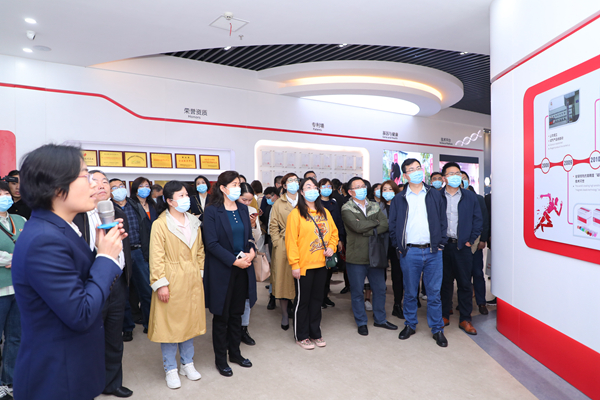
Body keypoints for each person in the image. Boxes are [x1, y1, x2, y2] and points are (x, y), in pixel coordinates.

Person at [12, 144, 126, 400]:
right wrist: (106, 258)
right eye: (85, 175)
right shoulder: (44, 239)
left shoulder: (62, 228)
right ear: (56, 186)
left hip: (73, 368)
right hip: (56, 379)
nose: (95, 184)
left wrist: (100, 252)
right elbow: (80, 313)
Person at [73, 171, 133, 398]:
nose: (101, 185)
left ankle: (112, 382)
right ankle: (88, 384)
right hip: (91, 284)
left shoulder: (118, 213)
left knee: (114, 337)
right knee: (90, 338)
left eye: (105, 182)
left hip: (117, 284)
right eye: (94, 181)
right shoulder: (78, 216)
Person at [148, 181, 206, 389]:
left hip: (192, 278)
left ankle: (187, 363)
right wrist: (161, 284)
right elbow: (156, 256)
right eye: (181, 196)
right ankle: (170, 368)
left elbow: (200, 251)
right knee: (170, 325)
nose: (186, 198)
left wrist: (199, 272)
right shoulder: (160, 224)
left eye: (186, 194)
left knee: (189, 323)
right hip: (171, 278)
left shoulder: (194, 221)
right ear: (169, 201)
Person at [388, 158, 448, 347]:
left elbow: (442, 221)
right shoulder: (399, 198)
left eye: (418, 168)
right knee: (410, 292)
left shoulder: (434, 194)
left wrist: (441, 243)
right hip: (409, 252)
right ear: (405, 176)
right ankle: (410, 324)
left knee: (434, 293)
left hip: (433, 251)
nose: (416, 172)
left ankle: (437, 329)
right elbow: (393, 225)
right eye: (411, 170)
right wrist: (399, 246)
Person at [203, 171, 256, 377]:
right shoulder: (212, 211)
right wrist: (234, 261)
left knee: (236, 314)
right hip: (222, 270)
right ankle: (221, 359)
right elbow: (211, 244)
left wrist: (252, 251)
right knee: (221, 316)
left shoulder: (243, 208)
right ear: (223, 188)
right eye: (234, 184)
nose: (238, 188)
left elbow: (249, 237)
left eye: (239, 184)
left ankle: (235, 353)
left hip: (243, 269)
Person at [286, 177, 339, 350]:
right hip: (304, 266)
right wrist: (295, 264)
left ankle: (315, 332)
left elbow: (334, 233)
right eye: (308, 187)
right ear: (301, 192)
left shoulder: (325, 212)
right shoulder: (295, 214)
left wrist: (331, 247)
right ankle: (301, 335)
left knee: (317, 300)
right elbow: (291, 242)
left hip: (322, 264)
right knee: (303, 301)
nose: (313, 190)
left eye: (315, 187)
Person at [341, 177, 397, 336]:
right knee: (357, 291)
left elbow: (385, 224)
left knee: (380, 289)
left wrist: (367, 228)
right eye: (357, 187)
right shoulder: (346, 208)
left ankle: (380, 319)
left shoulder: (374, 205)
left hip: (375, 254)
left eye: (363, 186)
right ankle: (361, 322)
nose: (362, 189)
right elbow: (356, 226)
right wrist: (374, 223)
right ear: (350, 192)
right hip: (356, 256)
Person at [440, 162, 482, 335]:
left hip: (462, 247)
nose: (455, 176)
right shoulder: (437, 196)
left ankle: (465, 318)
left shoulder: (469, 196)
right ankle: (444, 315)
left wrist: (470, 240)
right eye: (451, 173)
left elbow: (478, 220)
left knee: (465, 284)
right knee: (444, 283)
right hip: (443, 247)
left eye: (457, 173)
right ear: (444, 178)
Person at [110, 178, 155, 334]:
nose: (119, 189)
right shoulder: (108, 209)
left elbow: (145, 229)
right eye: (114, 187)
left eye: (121, 186)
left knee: (147, 290)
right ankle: (127, 328)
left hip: (138, 251)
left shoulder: (135, 205)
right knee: (122, 293)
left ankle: (150, 324)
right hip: (118, 253)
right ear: (110, 192)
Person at [0, 181, 26, 399]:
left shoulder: (20, 219)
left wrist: (14, 258)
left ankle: (8, 381)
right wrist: (15, 258)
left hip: (19, 288)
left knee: (15, 337)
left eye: (6, 194)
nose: (5, 198)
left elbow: (30, 246)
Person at [269, 173, 299, 330]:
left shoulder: (305, 200)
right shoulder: (278, 203)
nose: (294, 183)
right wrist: (276, 242)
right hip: (283, 244)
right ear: (284, 186)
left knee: (301, 280)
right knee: (283, 280)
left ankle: (299, 311)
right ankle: (285, 314)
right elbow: (273, 225)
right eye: (290, 181)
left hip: (303, 244)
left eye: (296, 180)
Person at [237, 182, 262, 346]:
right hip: (232, 258)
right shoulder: (228, 210)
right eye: (243, 200)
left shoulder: (252, 210)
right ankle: (233, 328)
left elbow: (257, 237)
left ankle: (243, 329)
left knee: (247, 295)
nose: (246, 203)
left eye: (249, 200)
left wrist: (253, 225)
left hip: (248, 256)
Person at [462, 173, 490, 315]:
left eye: (463, 178)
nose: (461, 181)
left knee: (477, 273)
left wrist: (483, 239)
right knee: (463, 276)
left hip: (475, 243)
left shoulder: (478, 199)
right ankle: (464, 302)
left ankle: (481, 302)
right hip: (459, 245)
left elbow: (484, 220)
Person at [318, 178, 345, 308]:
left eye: (329, 186)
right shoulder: (315, 203)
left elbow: (338, 222)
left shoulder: (334, 203)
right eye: (324, 186)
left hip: (332, 241)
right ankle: (319, 298)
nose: (327, 189)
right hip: (318, 242)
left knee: (329, 269)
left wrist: (340, 239)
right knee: (319, 272)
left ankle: (325, 296)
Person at [379, 180, 404, 319]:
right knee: (379, 275)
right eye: (384, 189)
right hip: (381, 244)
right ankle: (379, 306)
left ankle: (397, 305)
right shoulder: (377, 207)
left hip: (396, 244)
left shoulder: (401, 205)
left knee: (397, 275)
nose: (387, 192)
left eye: (390, 189)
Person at [260, 186, 280, 310]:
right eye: (266, 198)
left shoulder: (282, 207)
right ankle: (272, 296)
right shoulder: (268, 207)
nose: (268, 200)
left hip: (281, 241)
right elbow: (266, 222)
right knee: (273, 268)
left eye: (269, 197)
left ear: (275, 195)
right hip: (270, 240)